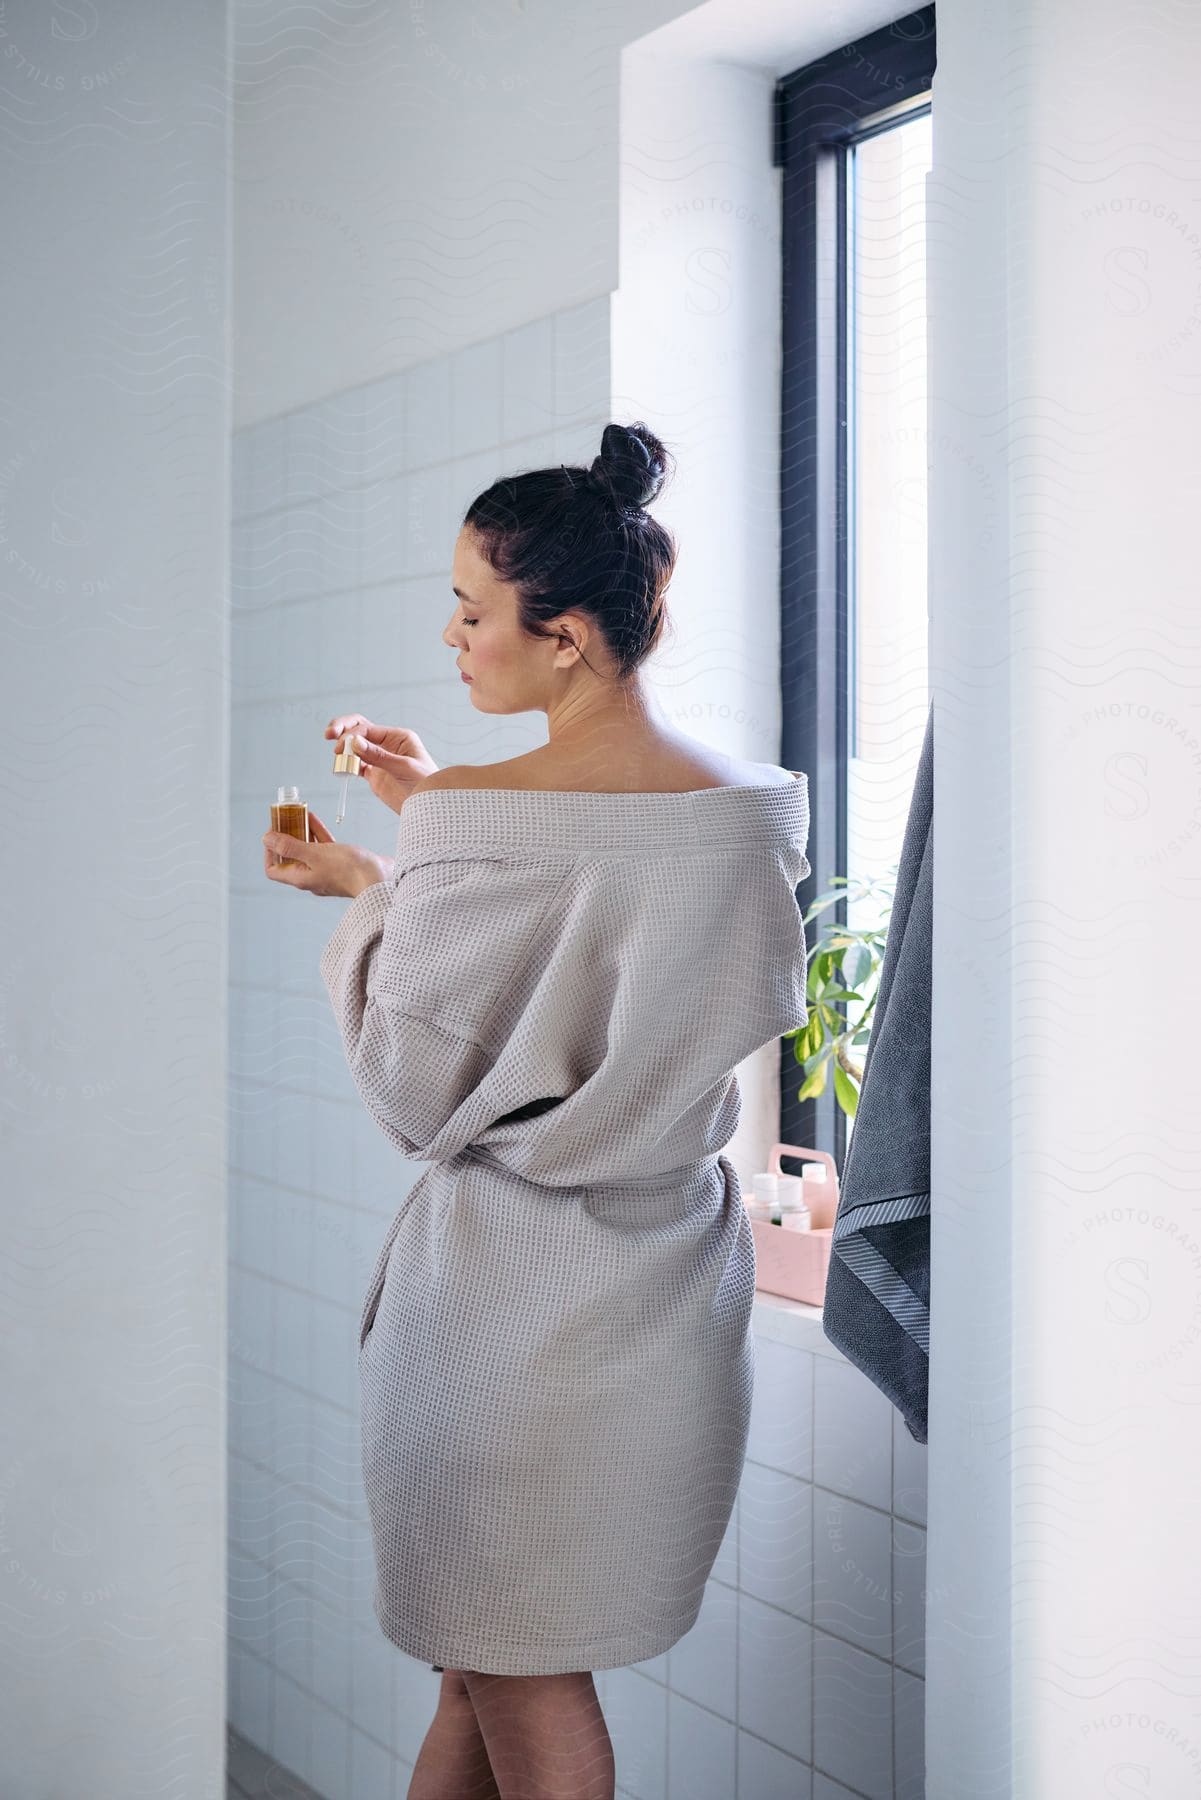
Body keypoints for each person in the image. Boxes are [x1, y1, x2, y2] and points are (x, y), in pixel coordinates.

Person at [261, 422, 811, 1800]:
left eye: (469, 609)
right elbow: (608, 939)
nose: (451, 637)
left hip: (503, 1309)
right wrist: (436, 819)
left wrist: (372, 885)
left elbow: (416, 1073)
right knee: (483, 1651)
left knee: (514, 1667)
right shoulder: (744, 813)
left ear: (561, 633)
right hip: (667, 1288)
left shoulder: (473, 823)